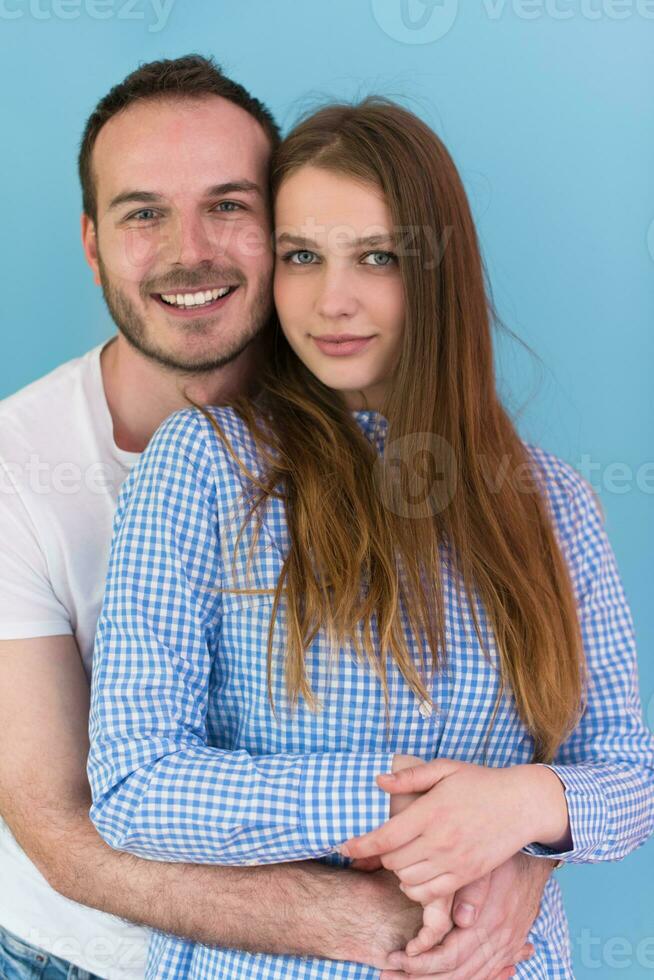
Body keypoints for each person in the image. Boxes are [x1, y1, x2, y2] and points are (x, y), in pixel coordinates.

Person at [0, 56, 549, 980]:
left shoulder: (387, 441)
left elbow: (519, 734)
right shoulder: (16, 464)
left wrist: (522, 839)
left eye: (229, 205)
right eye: (143, 213)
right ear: (93, 245)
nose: (191, 250)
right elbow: (63, 825)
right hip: (75, 954)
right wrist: (399, 900)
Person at [86, 95, 654, 980]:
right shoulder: (202, 466)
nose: (332, 301)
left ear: (437, 272)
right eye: (302, 257)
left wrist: (522, 809)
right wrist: (427, 812)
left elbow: (626, 775)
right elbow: (134, 785)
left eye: (378, 257)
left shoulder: (554, 504)